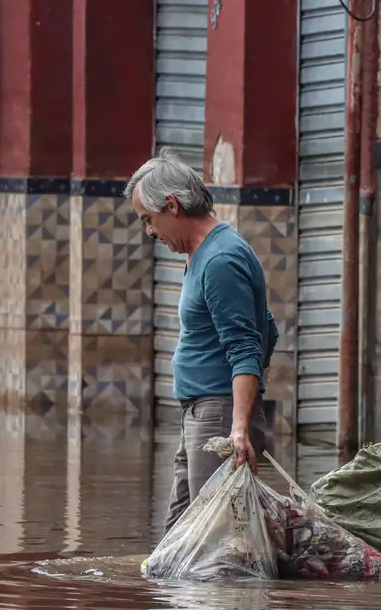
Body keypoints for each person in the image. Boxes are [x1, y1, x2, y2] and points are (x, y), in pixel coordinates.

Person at [128, 151, 278, 530]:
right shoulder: (204, 254)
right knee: (178, 543)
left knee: (214, 545)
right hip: (204, 413)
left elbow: (247, 345)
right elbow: (268, 328)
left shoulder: (220, 259)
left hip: (218, 418)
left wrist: (238, 427)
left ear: (172, 205)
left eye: (148, 219)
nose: (149, 231)